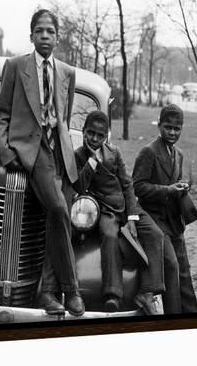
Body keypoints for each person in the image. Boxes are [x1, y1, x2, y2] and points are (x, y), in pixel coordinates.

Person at [0, 9, 84, 316]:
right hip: (34, 150)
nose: (45, 36)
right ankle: (70, 291)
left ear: (57, 36)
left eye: (50, 31)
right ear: (31, 35)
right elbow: (1, 114)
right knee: (58, 209)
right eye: (39, 31)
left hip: (61, 154)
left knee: (56, 219)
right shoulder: (17, 66)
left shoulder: (67, 72)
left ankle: (47, 291)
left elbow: (64, 117)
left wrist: (66, 149)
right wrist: (8, 154)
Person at [72, 110, 164, 314]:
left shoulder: (115, 153)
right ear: (84, 132)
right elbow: (79, 186)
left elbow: (127, 185)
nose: (95, 139)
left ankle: (148, 291)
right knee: (109, 235)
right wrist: (93, 161)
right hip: (105, 209)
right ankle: (112, 294)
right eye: (91, 133)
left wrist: (132, 216)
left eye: (100, 135)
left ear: (107, 136)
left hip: (127, 208)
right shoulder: (78, 156)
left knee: (154, 234)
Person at [132, 104, 197, 314]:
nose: (172, 132)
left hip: (173, 220)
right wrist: (168, 190)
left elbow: (173, 180)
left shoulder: (177, 154)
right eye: (168, 127)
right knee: (171, 265)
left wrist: (181, 186)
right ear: (159, 126)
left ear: (181, 129)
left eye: (177, 128)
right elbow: (138, 186)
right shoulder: (148, 152)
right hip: (154, 220)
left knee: (184, 271)